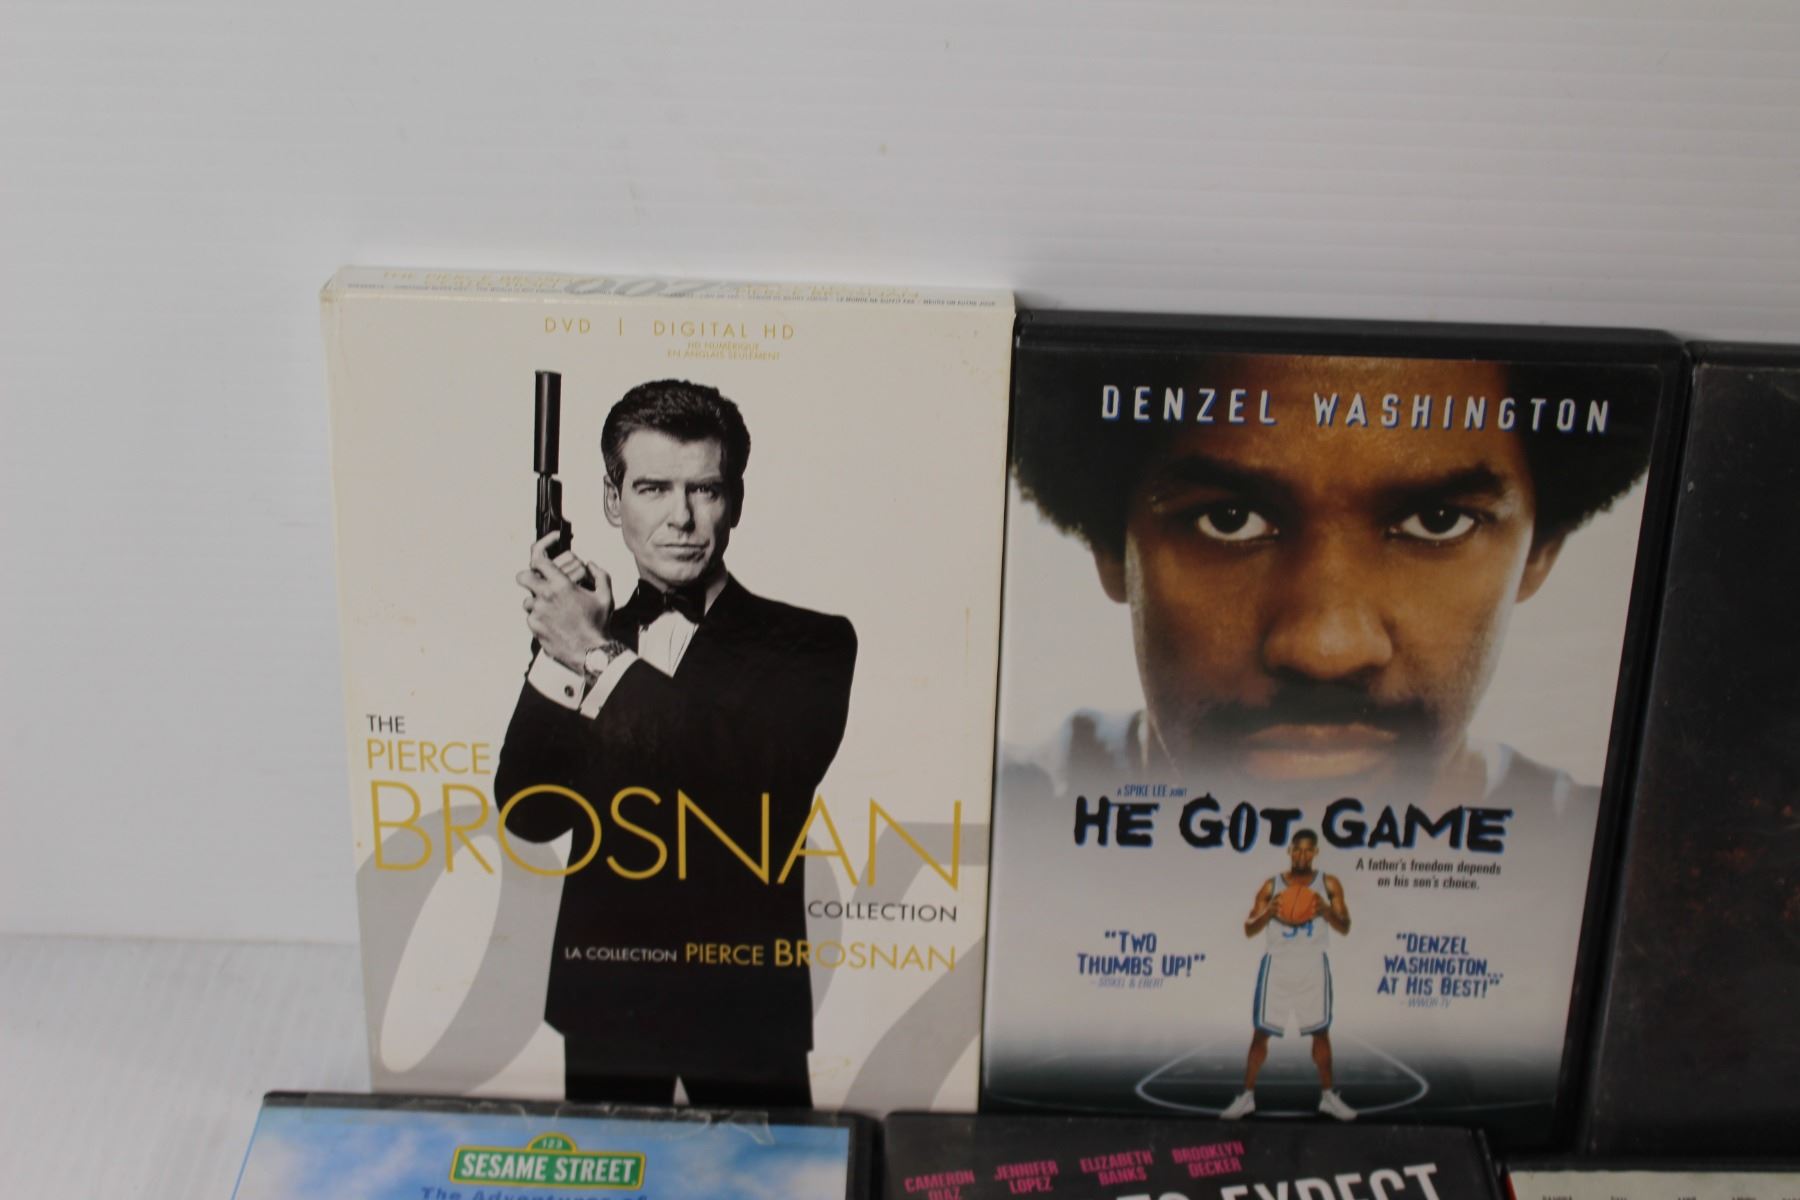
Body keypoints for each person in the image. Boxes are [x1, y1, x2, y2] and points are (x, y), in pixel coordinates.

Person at [494, 378, 857, 1107]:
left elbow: (755, 791)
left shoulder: (812, 642)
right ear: (612, 501)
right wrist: (559, 654)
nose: (682, 518)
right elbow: (529, 815)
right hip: (604, 1003)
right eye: (654, 488)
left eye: (706, 490)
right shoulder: (587, 635)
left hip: (744, 1008)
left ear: (736, 502)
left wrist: (594, 656)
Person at [1219, 830, 1353, 1120]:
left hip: (1312, 964)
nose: (1302, 855)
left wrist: (1326, 911)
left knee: (1321, 1033)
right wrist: (1268, 913)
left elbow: (1345, 926)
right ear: (1289, 850)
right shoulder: (1272, 885)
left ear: (1315, 852)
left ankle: (1328, 1097)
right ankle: (1247, 1096)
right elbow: (1249, 928)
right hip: (1278, 964)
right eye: (1297, 849)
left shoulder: (1328, 884)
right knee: (1261, 1033)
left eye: (1308, 850)